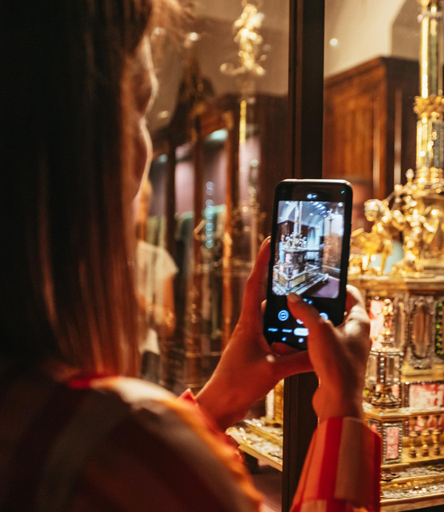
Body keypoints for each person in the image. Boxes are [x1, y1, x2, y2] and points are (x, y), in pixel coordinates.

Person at [0, 1, 380, 511]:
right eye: (138, 107)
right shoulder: (107, 448)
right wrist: (343, 416)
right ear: (74, 143)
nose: (147, 150)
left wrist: (215, 405)